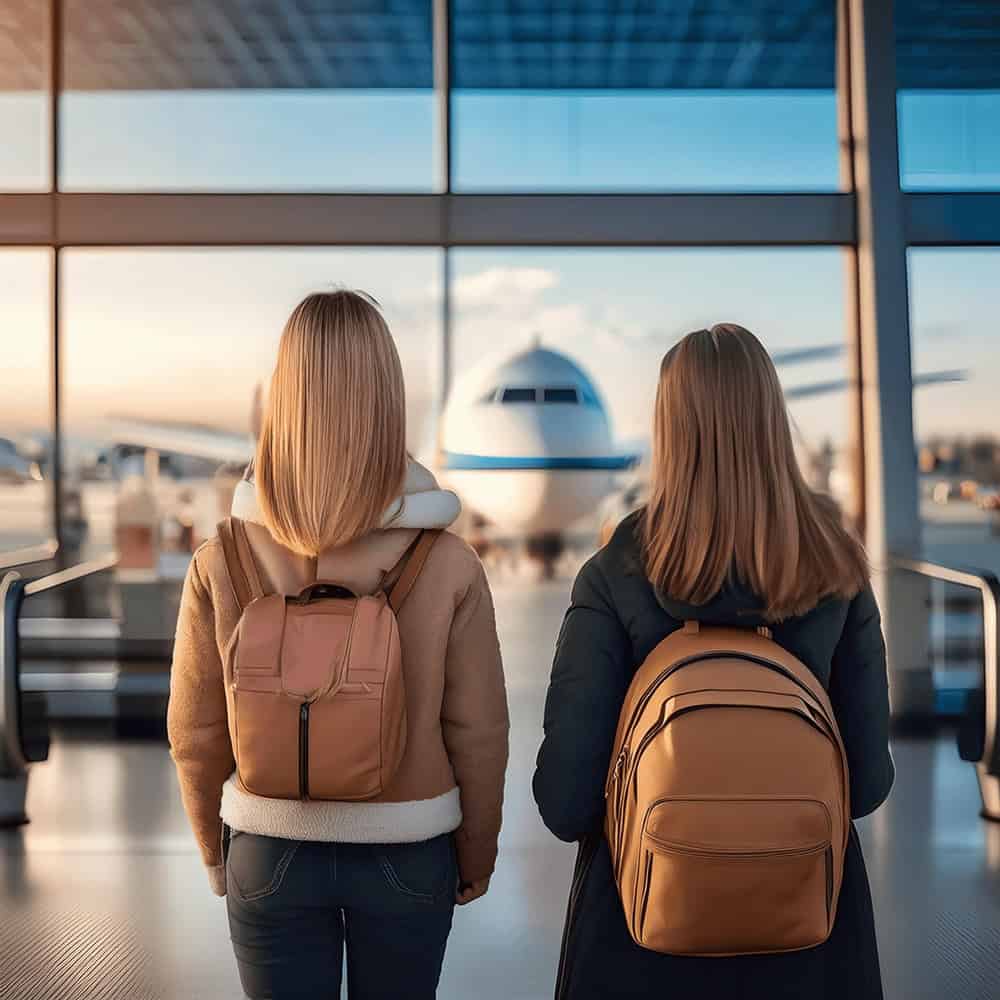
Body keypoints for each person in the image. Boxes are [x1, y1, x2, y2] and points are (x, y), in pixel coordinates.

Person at [533, 324, 893, 1000]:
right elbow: (868, 784)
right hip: (809, 944)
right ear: (771, 419)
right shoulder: (839, 571)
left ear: (670, 427)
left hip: (640, 942)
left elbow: (565, 803)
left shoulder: (612, 574)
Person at [167, 289, 509, 1000]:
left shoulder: (221, 558)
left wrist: (215, 852)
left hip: (267, 848)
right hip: (408, 850)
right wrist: (475, 853)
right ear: (386, 400)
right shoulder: (448, 563)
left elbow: (195, 732)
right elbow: (479, 732)